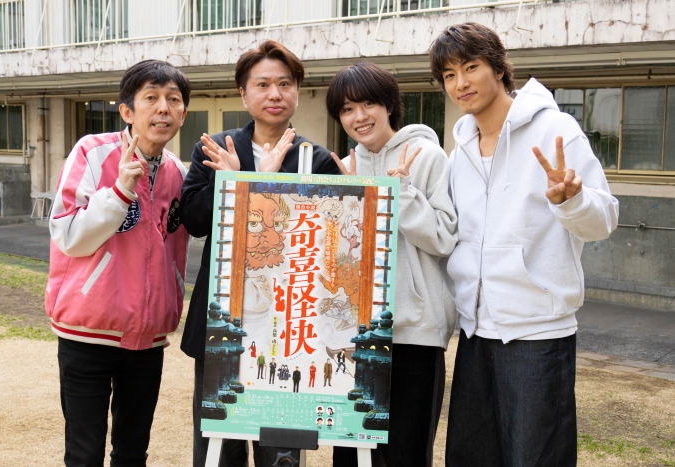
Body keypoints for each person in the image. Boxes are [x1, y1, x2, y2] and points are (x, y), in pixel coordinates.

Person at [429, 23, 619, 466]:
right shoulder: (461, 148)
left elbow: (604, 220)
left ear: (498, 68)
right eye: (449, 75)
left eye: (470, 67)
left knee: (535, 457)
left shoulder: (554, 129)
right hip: (475, 332)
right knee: (471, 457)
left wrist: (571, 200)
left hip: (537, 333)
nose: (460, 83)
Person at [178, 39, 340, 467]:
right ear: (243, 93)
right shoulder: (215, 149)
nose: (275, 94)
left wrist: (257, 186)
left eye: (285, 84)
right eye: (263, 84)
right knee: (219, 448)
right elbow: (193, 220)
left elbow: (320, 246)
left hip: (288, 328)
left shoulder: (316, 160)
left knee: (280, 452)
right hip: (223, 323)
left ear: (297, 92)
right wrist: (233, 183)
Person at [46, 60, 190, 466]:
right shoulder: (92, 152)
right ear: (127, 110)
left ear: (183, 114)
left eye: (173, 100)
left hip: (148, 337)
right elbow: (67, 235)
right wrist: (120, 191)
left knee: (132, 452)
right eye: (151, 98)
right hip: (86, 332)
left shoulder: (178, 172)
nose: (163, 108)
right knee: (84, 453)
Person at [326, 61, 458, 467]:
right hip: (357, 334)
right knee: (351, 454)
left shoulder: (428, 156)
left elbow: (444, 238)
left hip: (415, 333)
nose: (359, 116)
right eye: (347, 109)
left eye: (368, 103)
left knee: (406, 454)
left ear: (389, 105)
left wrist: (402, 192)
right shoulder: (347, 165)